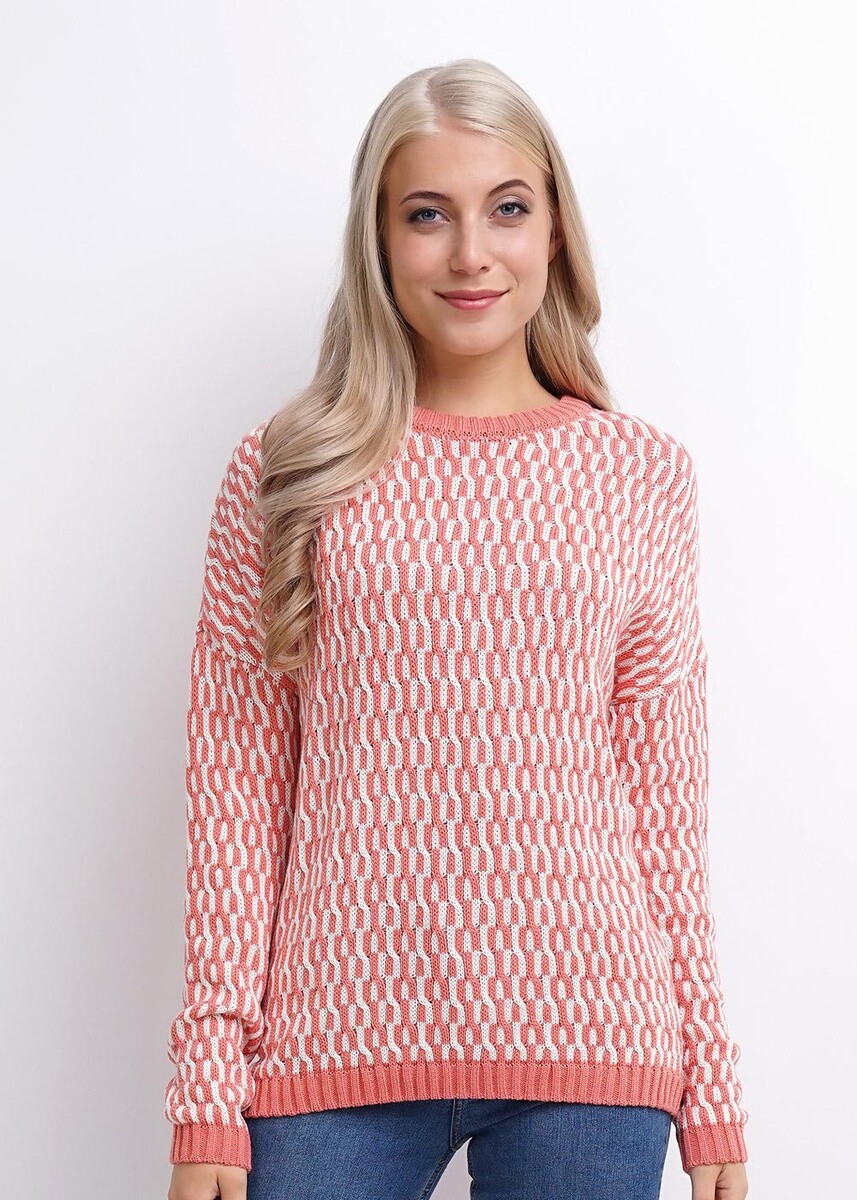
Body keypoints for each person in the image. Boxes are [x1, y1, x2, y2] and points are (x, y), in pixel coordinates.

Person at [164, 57, 750, 1200]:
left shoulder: (640, 476)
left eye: (507, 209)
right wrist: (205, 1089)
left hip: (594, 1040)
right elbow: (235, 792)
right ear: (378, 241)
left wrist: (712, 1080)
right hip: (332, 1042)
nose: (470, 253)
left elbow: (665, 807)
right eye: (427, 214)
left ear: (554, 230)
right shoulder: (284, 472)